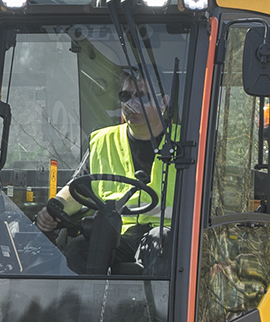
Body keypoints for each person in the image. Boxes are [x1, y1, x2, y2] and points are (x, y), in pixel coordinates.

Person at [39, 69, 178, 252]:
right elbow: (78, 190)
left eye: (142, 97)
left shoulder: (186, 143)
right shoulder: (102, 141)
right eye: (125, 96)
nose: (131, 104)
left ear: (163, 103)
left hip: (165, 237)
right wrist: (54, 208)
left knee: (161, 243)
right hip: (115, 234)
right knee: (77, 250)